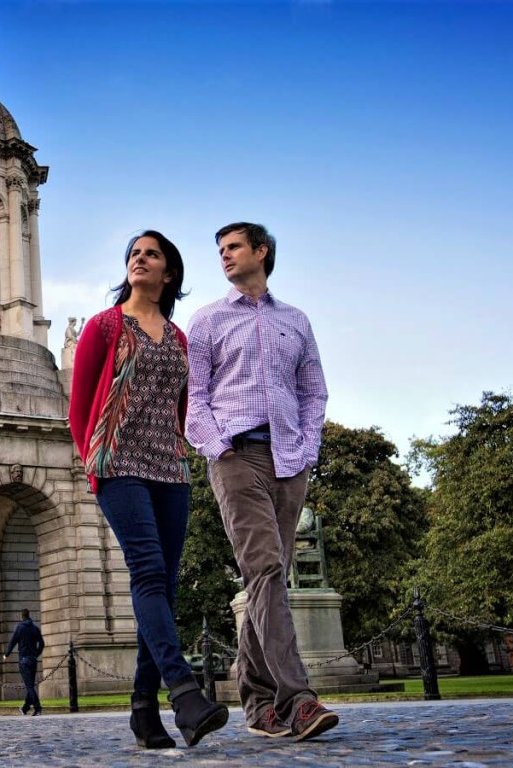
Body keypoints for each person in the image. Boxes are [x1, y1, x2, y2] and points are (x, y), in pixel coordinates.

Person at [68, 230, 229, 749]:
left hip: (169, 468)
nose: (140, 260)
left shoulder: (181, 339)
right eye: (135, 254)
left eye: (151, 254)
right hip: (118, 462)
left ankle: (144, 712)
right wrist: (93, 461)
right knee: (148, 572)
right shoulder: (104, 325)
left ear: (169, 273)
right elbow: (79, 408)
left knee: (162, 586)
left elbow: (185, 406)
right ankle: (184, 692)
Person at [185, 221, 338, 742]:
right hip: (236, 456)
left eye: (233, 247)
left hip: (290, 459)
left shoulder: (295, 321)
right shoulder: (207, 321)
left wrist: (307, 449)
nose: (225, 256)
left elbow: (314, 391)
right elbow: (195, 397)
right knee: (267, 567)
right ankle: (296, 699)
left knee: (265, 578)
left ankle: (253, 700)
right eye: (220, 250)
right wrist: (218, 445)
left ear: (261, 252)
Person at [3, 609, 45, 717]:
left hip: (24, 660)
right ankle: (25, 708)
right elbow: (42, 643)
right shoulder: (35, 628)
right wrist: (36, 654)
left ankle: (37, 708)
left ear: (21, 616)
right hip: (33, 660)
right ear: (29, 615)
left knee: (29, 686)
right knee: (30, 684)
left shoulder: (20, 628)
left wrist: (6, 654)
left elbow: (12, 642)